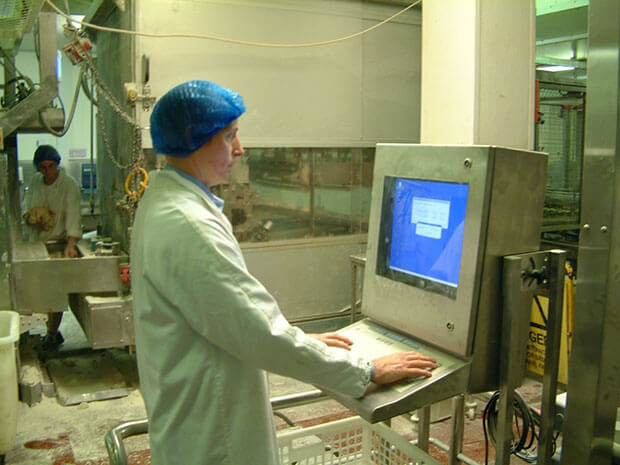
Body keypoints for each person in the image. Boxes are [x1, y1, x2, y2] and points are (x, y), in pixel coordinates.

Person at [130, 80, 437, 465]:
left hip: (191, 416)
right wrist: (366, 371)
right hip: (212, 438)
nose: (239, 150)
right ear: (195, 141)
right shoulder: (188, 224)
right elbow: (258, 333)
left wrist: (299, 340)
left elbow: (237, 321)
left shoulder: (163, 203)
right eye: (230, 138)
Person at [23, 144, 82, 351]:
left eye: (50, 166)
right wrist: (33, 219)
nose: (47, 171)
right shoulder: (35, 182)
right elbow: (26, 208)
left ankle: (52, 332)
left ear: (57, 164)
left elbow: (74, 213)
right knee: (34, 289)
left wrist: (72, 243)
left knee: (55, 290)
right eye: (42, 167)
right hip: (36, 241)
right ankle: (33, 330)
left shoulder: (69, 185)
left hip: (58, 242)